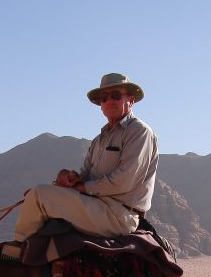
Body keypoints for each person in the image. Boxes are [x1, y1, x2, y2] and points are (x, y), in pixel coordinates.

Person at [13, 73, 158, 242]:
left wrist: (81, 188)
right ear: (101, 105)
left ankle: (18, 247)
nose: (110, 100)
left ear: (131, 100)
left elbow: (124, 181)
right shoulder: (98, 140)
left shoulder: (139, 132)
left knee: (39, 195)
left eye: (116, 95)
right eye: (104, 97)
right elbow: (85, 176)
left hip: (118, 215)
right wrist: (69, 180)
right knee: (37, 194)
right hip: (96, 207)